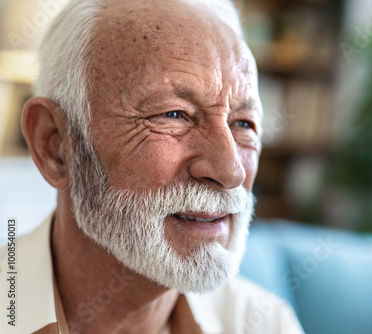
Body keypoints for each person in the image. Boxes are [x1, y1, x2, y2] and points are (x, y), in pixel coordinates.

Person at [0, 0, 304, 333]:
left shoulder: (265, 322)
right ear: (55, 145)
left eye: (243, 123)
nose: (231, 171)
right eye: (173, 115)